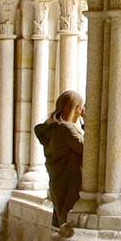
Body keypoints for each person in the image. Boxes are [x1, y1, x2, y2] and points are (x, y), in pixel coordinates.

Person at [34, 91, 85, 228]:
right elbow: (87, 150)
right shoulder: (66, 129)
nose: (81, 112)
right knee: (69, 219)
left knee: (61, 217)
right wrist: (87, 123)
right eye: (80, 107)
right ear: (74, 108)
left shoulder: (52, 128)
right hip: (70, 181)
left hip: (58, 182)